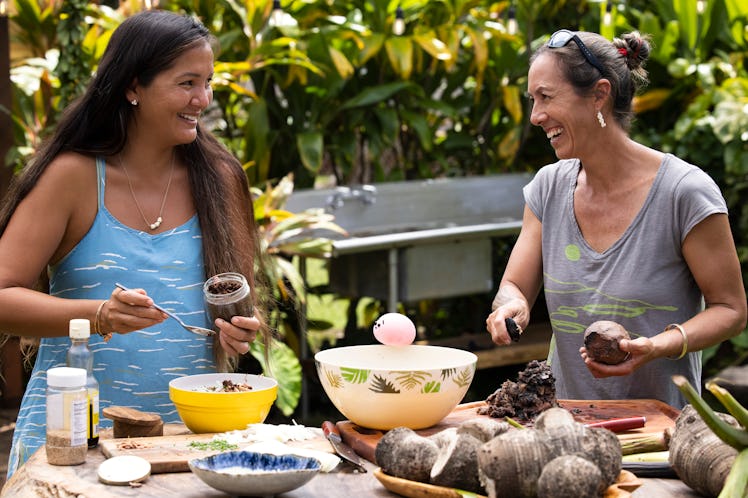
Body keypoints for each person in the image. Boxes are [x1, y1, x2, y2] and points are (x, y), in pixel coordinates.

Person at [0, 10, 269, 477]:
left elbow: (237, 302)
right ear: (133, 87)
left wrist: (242, 329)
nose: (202, 99)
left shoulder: (221, 181)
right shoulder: (74, 177)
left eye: (208, 82)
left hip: (190, 448)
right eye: (187, 83)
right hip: (70, 447)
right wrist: (99, 315)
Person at [485, 29, 746, 409]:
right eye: (532, 100)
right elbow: (514, 286)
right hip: (564, 431)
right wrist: (512, 306)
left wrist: (656, 346)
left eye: (546, 97)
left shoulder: (684, 193)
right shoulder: (548, 188)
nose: (535, 116)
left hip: (659, 437)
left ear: (599, 95)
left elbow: (731, 310)